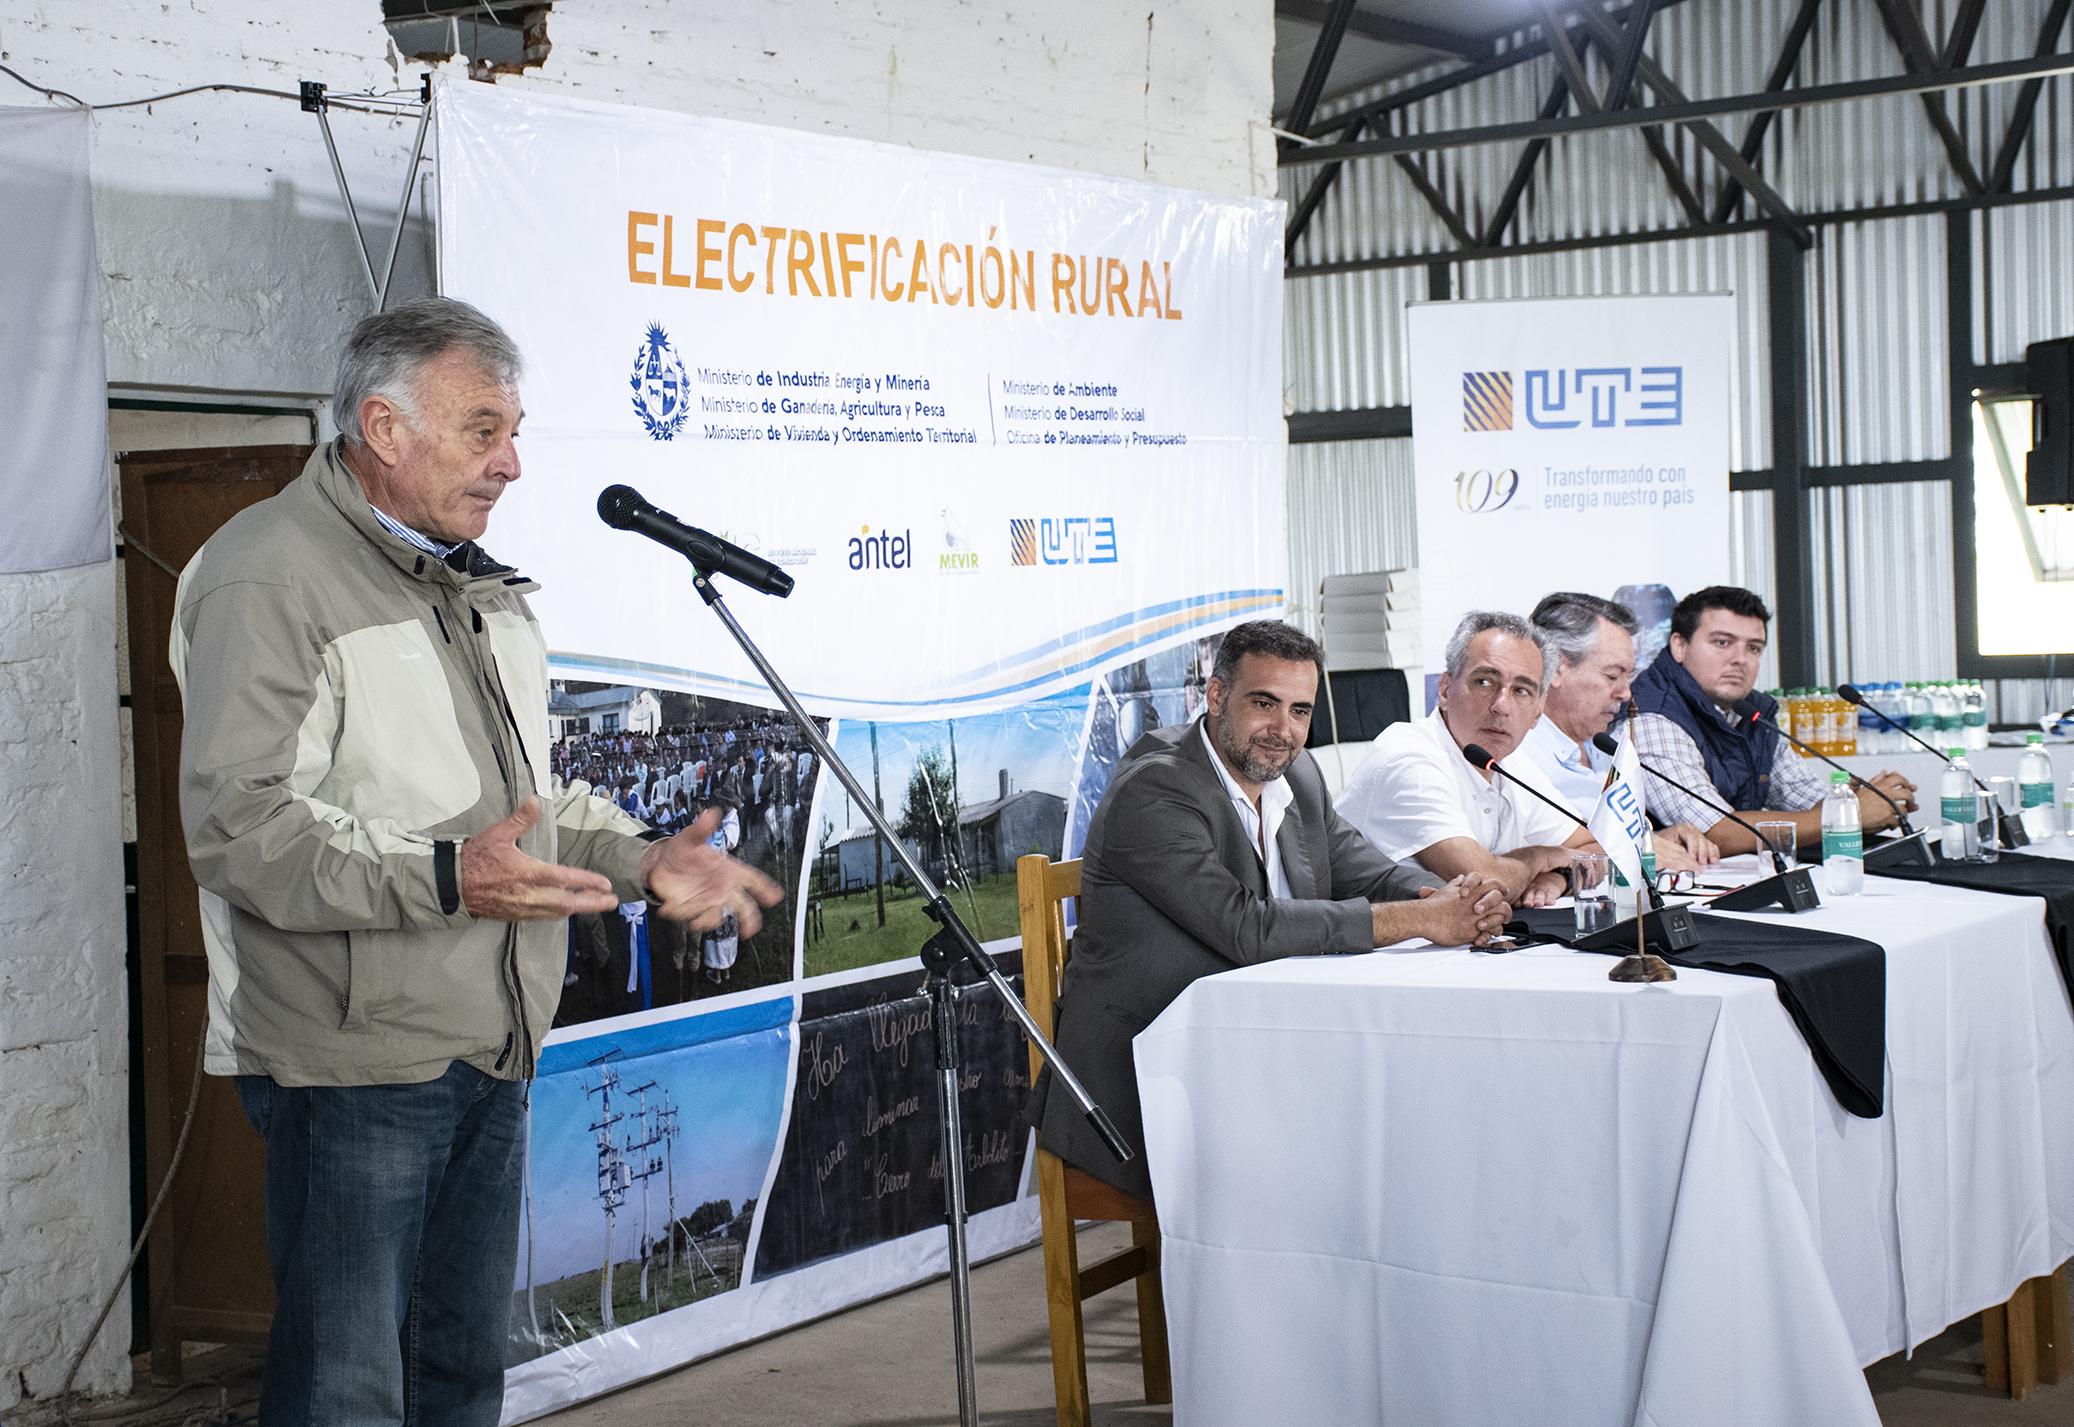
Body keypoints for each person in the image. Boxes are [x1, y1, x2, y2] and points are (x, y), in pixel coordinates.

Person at [170, 297, 782, 1427]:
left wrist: (647, 859)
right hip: (351, 1059)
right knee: (346, 1388)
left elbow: (532, 805)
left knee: (458, 1373)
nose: (511, 462)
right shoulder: (268, 576)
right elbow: (240, 826)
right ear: (383, 426)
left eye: (515, 429)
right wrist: (449, 878)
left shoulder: (478, 586)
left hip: (491, 1038)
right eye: (482, 427)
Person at [1026, 620, 1510, 1201]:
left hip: (1259, 1053)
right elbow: (1246, 927)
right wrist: (1426, 919)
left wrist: (1451, 895)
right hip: (1147, 1080)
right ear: (1215, 696)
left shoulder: (1296, 774)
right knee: (1342, 1162)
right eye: (1264, 703)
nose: (1283, 730)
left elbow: (1367, 868)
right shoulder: (1155, 789)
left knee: (1406, 1121)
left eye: (1301, 711)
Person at [1628, 586, 1917, 856]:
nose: (1740, 659)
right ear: (1679, 646)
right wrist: (1848, 814)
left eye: (1753, 648)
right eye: (1722, 642)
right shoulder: (1650, 716)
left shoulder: (1751, 712)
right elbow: (1715, 831)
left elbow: (1805, 798)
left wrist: (1864, 800)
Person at [1337, 611, 1588, 907]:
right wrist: (1542, 856)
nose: (1501, 706)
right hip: (1364, 950)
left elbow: (1596, 849)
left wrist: (1559, 876)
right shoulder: (1407, 754)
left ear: (1537, 711)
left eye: (1521, 690)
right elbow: (1485, 883)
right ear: (1445, 690)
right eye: (1484, 682)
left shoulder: (1509, 763)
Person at [1518, 592, 1720, 869]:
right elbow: (1529, 855)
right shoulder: (1516, 754)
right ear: (1555, 669)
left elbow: (1606, 836)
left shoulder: (1604, 746)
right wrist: (1635, 849)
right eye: (1612, 676)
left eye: (1630, 677)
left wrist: (1657, 839)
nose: (1626, 694)